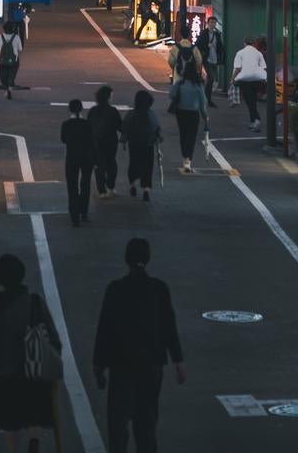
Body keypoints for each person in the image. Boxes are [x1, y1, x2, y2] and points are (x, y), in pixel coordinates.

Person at [93, 238, 185, 453]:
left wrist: (98, 366)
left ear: (126, 259)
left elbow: (104, 330)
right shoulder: (159, 289)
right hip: (151, 364)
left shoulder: (115, 289)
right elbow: (169, 327)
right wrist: (178, 360)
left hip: (121, 364)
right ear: (148, 259)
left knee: (118, 422)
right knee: (146, 422)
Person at [0, 254, 61, 453]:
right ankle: (34, 442)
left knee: (10, 420)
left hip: (2, 376)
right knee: (34, 410)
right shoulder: (35, 302)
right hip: (32, 371)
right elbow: (53, 338)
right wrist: (55, 364)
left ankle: (13, 449)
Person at [121, 90, 161, 202]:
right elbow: (156, 127)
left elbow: (124, 126)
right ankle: (146, 189)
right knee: (148, 166)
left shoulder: (131, 113)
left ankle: (132, 185)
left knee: (133, 163)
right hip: (148, 144)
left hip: (134, 143)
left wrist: (125, 139)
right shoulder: (151, 114)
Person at [60, 99, 96, 227]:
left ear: (70, 109)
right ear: (81, 109)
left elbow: (63, 140)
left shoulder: (66, 124)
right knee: (85, 185)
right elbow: (92, 142)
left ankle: (74, 216)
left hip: (72, 158)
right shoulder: (87, 124)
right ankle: (84, 212)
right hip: (87, 158)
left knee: (72, 186)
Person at [168, 62, 207, 173]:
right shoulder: (198, 85)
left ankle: (185, 156)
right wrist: (205, 115)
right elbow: (202, 102)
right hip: (193, 113)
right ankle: (188, 159)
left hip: (181, 112)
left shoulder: (180, 83)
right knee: (192, 136)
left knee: (183, 134)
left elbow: (171, 95)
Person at [89, 85, 123, 197]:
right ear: (108, 97)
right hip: (111, 141)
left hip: (96, 141)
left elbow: (88, 126)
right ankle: (111, 185)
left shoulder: (93, 111)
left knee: (99, 165)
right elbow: (120, 126)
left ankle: (102, 190)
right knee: (111, 163)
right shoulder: (112, 111)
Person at [231, 35, 268, 132]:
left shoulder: (240, 53)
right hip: (258, 81)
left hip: (245, 81)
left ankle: (256, 120)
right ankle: (253, 121)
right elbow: (264, 67)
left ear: (244, 43)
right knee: (253, 101)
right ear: (253, 43)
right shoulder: (258, 53)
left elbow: (237, 68)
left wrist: (232, 79)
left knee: (249, 101)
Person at [195, 16, 224, 108]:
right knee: (211, 78)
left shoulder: (217, 34)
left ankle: (205, 97)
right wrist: (206, 46)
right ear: (208, 23)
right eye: (211, 22)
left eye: (214, 22)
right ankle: (206, 98)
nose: (213, 24)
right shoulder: (203, 33)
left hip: (214, 59)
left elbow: (220, 47)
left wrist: (221, 57)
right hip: (206, 59)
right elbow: (197, 44)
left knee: (213, 79)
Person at [0, 21, 22, 99]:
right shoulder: (16, 37)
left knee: (3, 76)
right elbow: (20, 49)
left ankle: (6, 88)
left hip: (2, 60)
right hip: (14, 60)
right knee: (11, 75)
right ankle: (10, 88)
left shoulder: (0, 37)